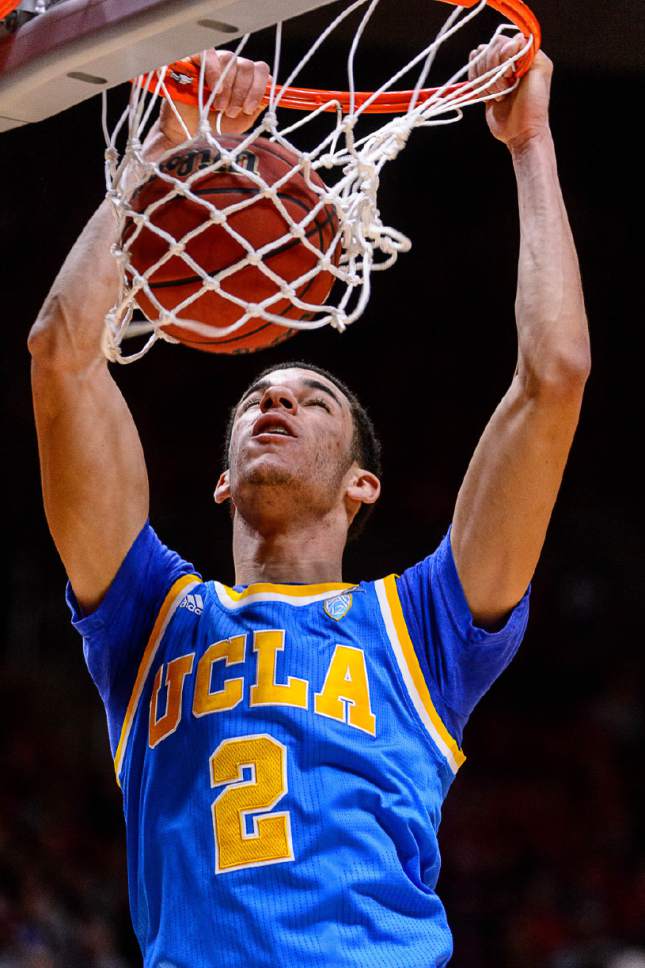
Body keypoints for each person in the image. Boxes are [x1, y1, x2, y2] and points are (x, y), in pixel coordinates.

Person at [28, 36, 590, 968]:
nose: (276, 401)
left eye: (310, 399)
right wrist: (173, 138)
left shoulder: (423, 625)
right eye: (256, 400)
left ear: (361, 484)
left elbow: (554, 377)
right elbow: (61, 354)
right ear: (222, 480)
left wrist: (531, 145)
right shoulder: (148, 617)